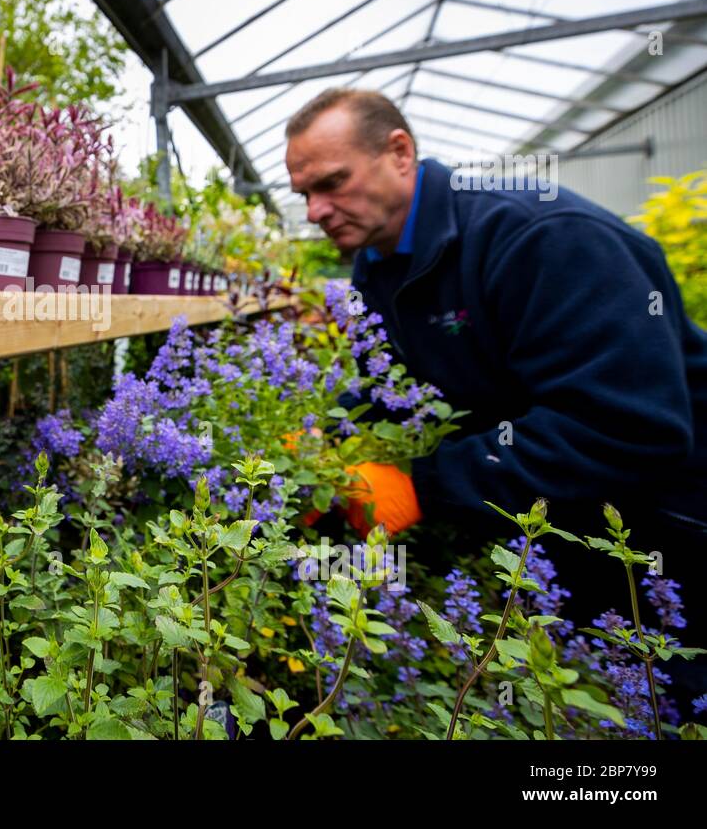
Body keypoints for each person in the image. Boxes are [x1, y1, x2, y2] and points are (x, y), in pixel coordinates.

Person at [284, 88, 707, 705]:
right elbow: (394, 384)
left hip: (666, 534)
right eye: (305, 195)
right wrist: (333, 437)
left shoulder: (539, 239)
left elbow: (627, 427)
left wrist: (423, 484)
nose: (315, 211)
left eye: (331, 183)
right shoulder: (379, 259)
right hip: (549, 525)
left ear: (399, 153)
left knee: (662, 703)